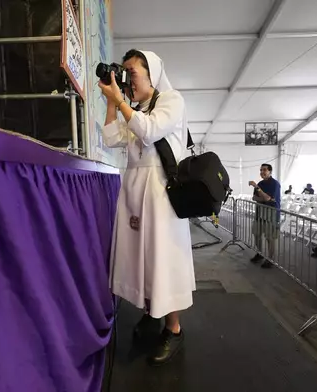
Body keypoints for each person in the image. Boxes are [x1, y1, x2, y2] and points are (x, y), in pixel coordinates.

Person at [99, 49, 194, 365]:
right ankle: (151, 312)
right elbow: (111, 139)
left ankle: (174, 329)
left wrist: (122, 103)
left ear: (151, 73)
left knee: (162, 261)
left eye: (131, 72)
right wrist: (113, 102)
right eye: (123, 72)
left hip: (160, 194)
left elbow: (150, 130)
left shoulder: (172, 100)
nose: (126, 79)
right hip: (134, 191)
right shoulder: (133, 107)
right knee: (141, 260)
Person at [249, 163, 281, 269]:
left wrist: (257, 188)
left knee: (270, 238)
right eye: (261, 170)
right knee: (257, 234)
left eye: (264, 170)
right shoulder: (261, 183)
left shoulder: (275, 184)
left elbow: (268, 199)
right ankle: (260, 253)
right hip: (260, 213)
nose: (262, 172)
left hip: (271, 214)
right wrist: (265, 198)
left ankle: (270, 259)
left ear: (270, 171)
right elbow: (254, 198)